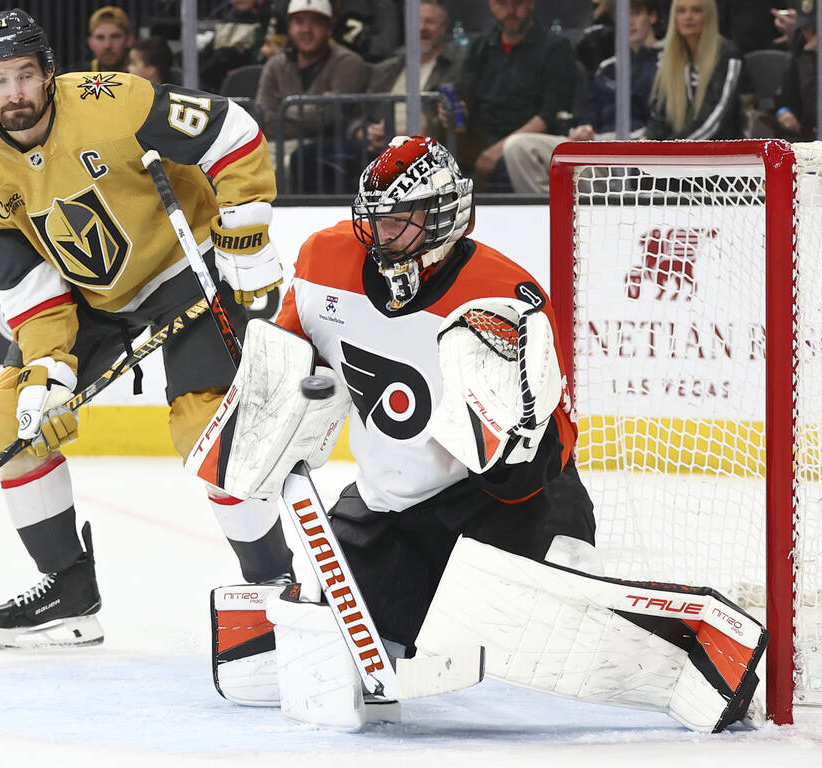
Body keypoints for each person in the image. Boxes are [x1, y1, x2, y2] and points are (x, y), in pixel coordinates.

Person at [198, 135, 765, 731]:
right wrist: (275, 403)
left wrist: (511, 436)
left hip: (505, 505)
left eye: (400, 221)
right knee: (329, 628)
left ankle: (673, 639)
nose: (382, 236)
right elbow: (293, 363)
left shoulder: (504, 294)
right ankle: (405, 599)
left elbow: (554, 450)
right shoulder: (323, 260)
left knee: (549, 632)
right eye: (375, 220)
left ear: (444, 215)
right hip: (390, 505)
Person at [0, 9, 289, 652]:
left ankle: (275, 588)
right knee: (8, 410)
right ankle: (67, 592)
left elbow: (232, 131)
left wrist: (244, 233)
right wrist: (50, 370)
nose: (15, 92)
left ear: (49, 73)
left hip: (186, 266)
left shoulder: (115, 100)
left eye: (25, 74)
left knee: (205, 423)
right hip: (98, 301)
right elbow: (31, 292)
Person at [503, 0, 663, 194]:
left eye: (636, 14)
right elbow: (589, 112)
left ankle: (574, 211)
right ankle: (550, 215)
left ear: (652, 17)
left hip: (633, 151)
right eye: (623, 16)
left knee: (582, 171)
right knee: (518, 147)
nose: (629, 22)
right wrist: (582, 130)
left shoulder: (666, 64)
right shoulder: (607, 68)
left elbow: (661, 124)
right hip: (592, 145)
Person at [449, 0, 578, 190]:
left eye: (517, 3)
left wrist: (499, 150)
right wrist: (455, 112)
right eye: (502, 3)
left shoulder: (556, 47)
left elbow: (550, 113)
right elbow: (465, 99)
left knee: (511, 156)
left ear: (531, 3)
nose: (510, 11)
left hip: (529, 139)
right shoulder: (479, 47)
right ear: (491, 4)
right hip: (481, 138)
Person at [255, 0, 368, 142]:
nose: (306, 30)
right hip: (277, 148)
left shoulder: (348, 62)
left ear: (329, 28)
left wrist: (284, 108)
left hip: (327, 152)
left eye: (316, 23)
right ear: (289, 27)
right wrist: (316, 108)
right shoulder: (275, 64)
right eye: (299, 22)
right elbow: (265, 119)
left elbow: (331, 118)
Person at [360, 0, 460, 153]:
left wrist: (410, 137)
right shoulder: (388, 68)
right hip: (376, 149)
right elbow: (357, 112)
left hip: (424, 152)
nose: (421, 28)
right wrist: (364, 131)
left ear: (444, 27)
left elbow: (453, 122)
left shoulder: (456, 67)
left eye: (430, 22)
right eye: (416, 21)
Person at [646, 0, 747, 141]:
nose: (688, 17)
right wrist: (646, 141)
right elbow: (660, 116)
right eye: (681, 11)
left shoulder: (728, 55)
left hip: (721, 151)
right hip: (678, 152)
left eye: (697, 10)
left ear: (709, 16)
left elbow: (716, 119)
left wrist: (672, 150)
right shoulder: (670, 58)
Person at [199, 0, 270, 92]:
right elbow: (210, 52)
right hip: (217, 81)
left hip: (252, 81)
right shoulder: (228, 18)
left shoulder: (266, 18)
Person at [774, 7, 817, 140]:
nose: (810, 37)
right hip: (808, 139)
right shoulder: (802, 57)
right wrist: (784, 113)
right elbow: (784, 102)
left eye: (816, 30)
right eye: (805, 29)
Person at [81, 6, 134, 73]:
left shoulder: (142, 78)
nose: (107, 45)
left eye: (115, 37)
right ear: (90, 43)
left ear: (129, 40)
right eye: (100, 38)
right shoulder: (75, 78)